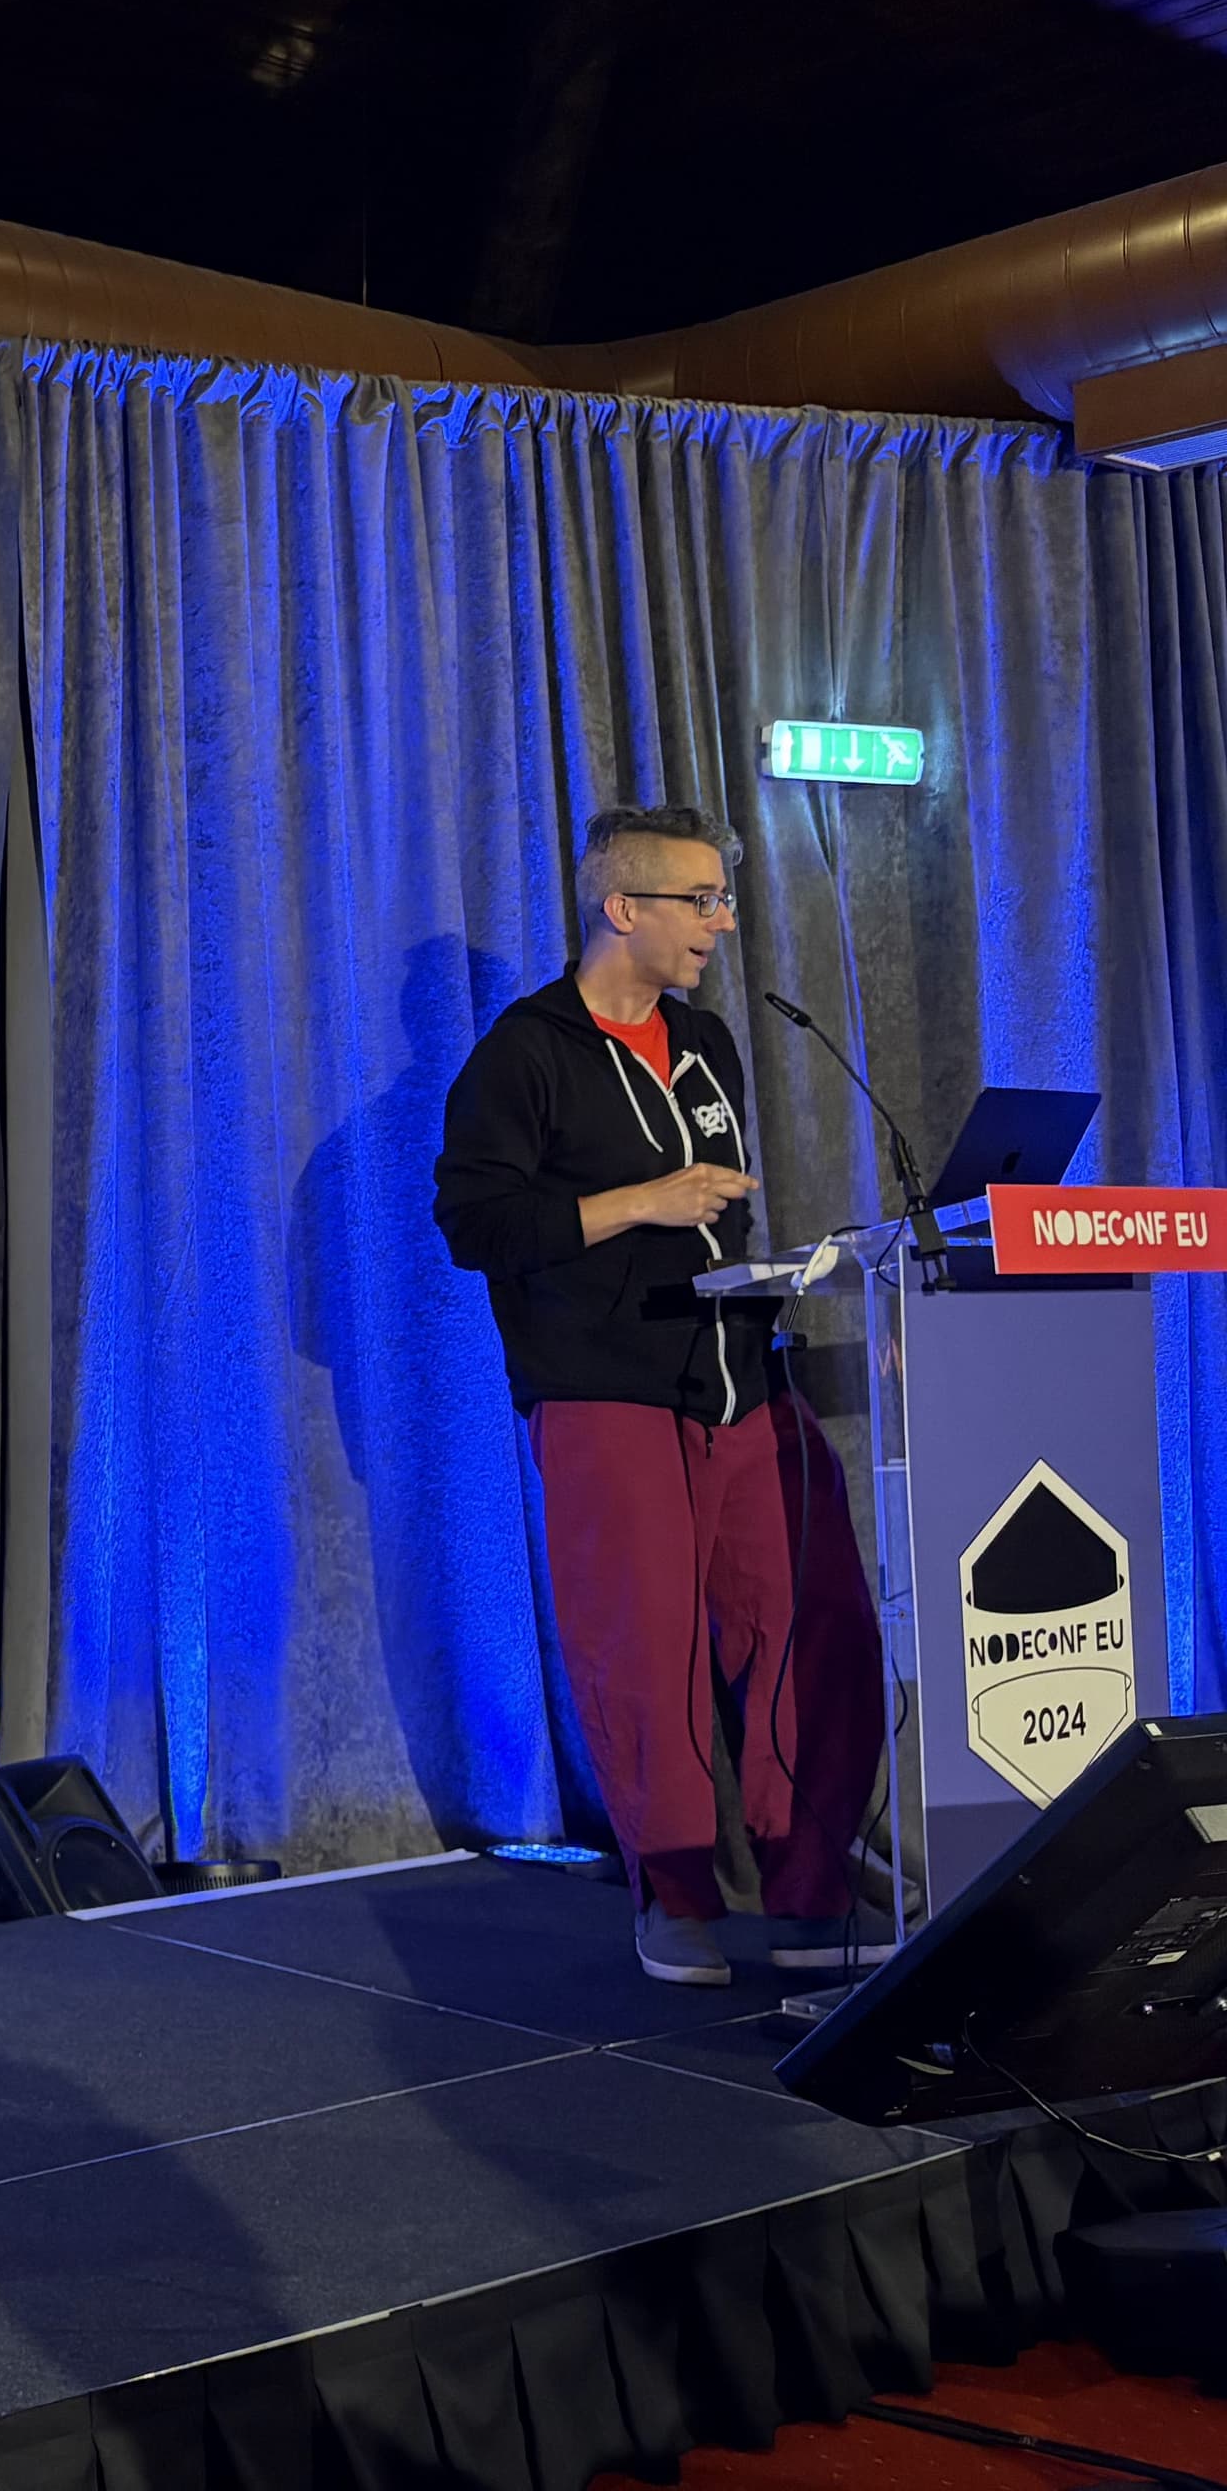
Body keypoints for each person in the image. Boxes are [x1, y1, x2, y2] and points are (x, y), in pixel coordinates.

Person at [433, 806, 884, 1987]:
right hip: (606, 1392)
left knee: (805, 1620)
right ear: (621, 908)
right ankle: (675, 1896)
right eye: (699, 902)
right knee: (648, 1652)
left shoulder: (706, 1041)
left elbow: (722, 1212)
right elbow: (475, 1225)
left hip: (741, 1377)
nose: (720, 925)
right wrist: (640, 1200)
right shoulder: (524, 1052)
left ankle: (809, 1890)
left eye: (722, 900)